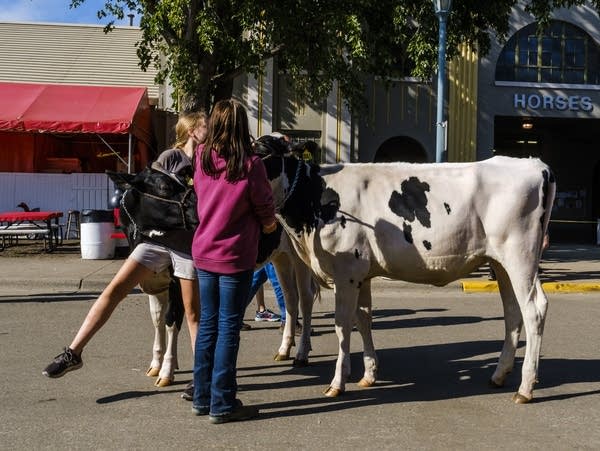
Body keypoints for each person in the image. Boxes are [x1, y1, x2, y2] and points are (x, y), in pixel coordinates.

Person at [42, 111, 207, 385]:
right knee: (114, 290)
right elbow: (151, 195)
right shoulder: (171, 158)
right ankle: (73, 352)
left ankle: (203, 378)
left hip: (186, 245)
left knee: (191, 312)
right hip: (156, 239)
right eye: (205, 126)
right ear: (192, 130)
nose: (209, 131)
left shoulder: (208, 160)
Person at [191, 99, 277, 424]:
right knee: (228, 328)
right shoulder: (251, 164)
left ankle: (201, 398)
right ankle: (223, 403)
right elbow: (265, 209)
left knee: (207, 327)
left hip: (204, 250)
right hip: (235, 256)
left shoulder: (201, 156)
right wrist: (269, 226)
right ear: (243, 126)